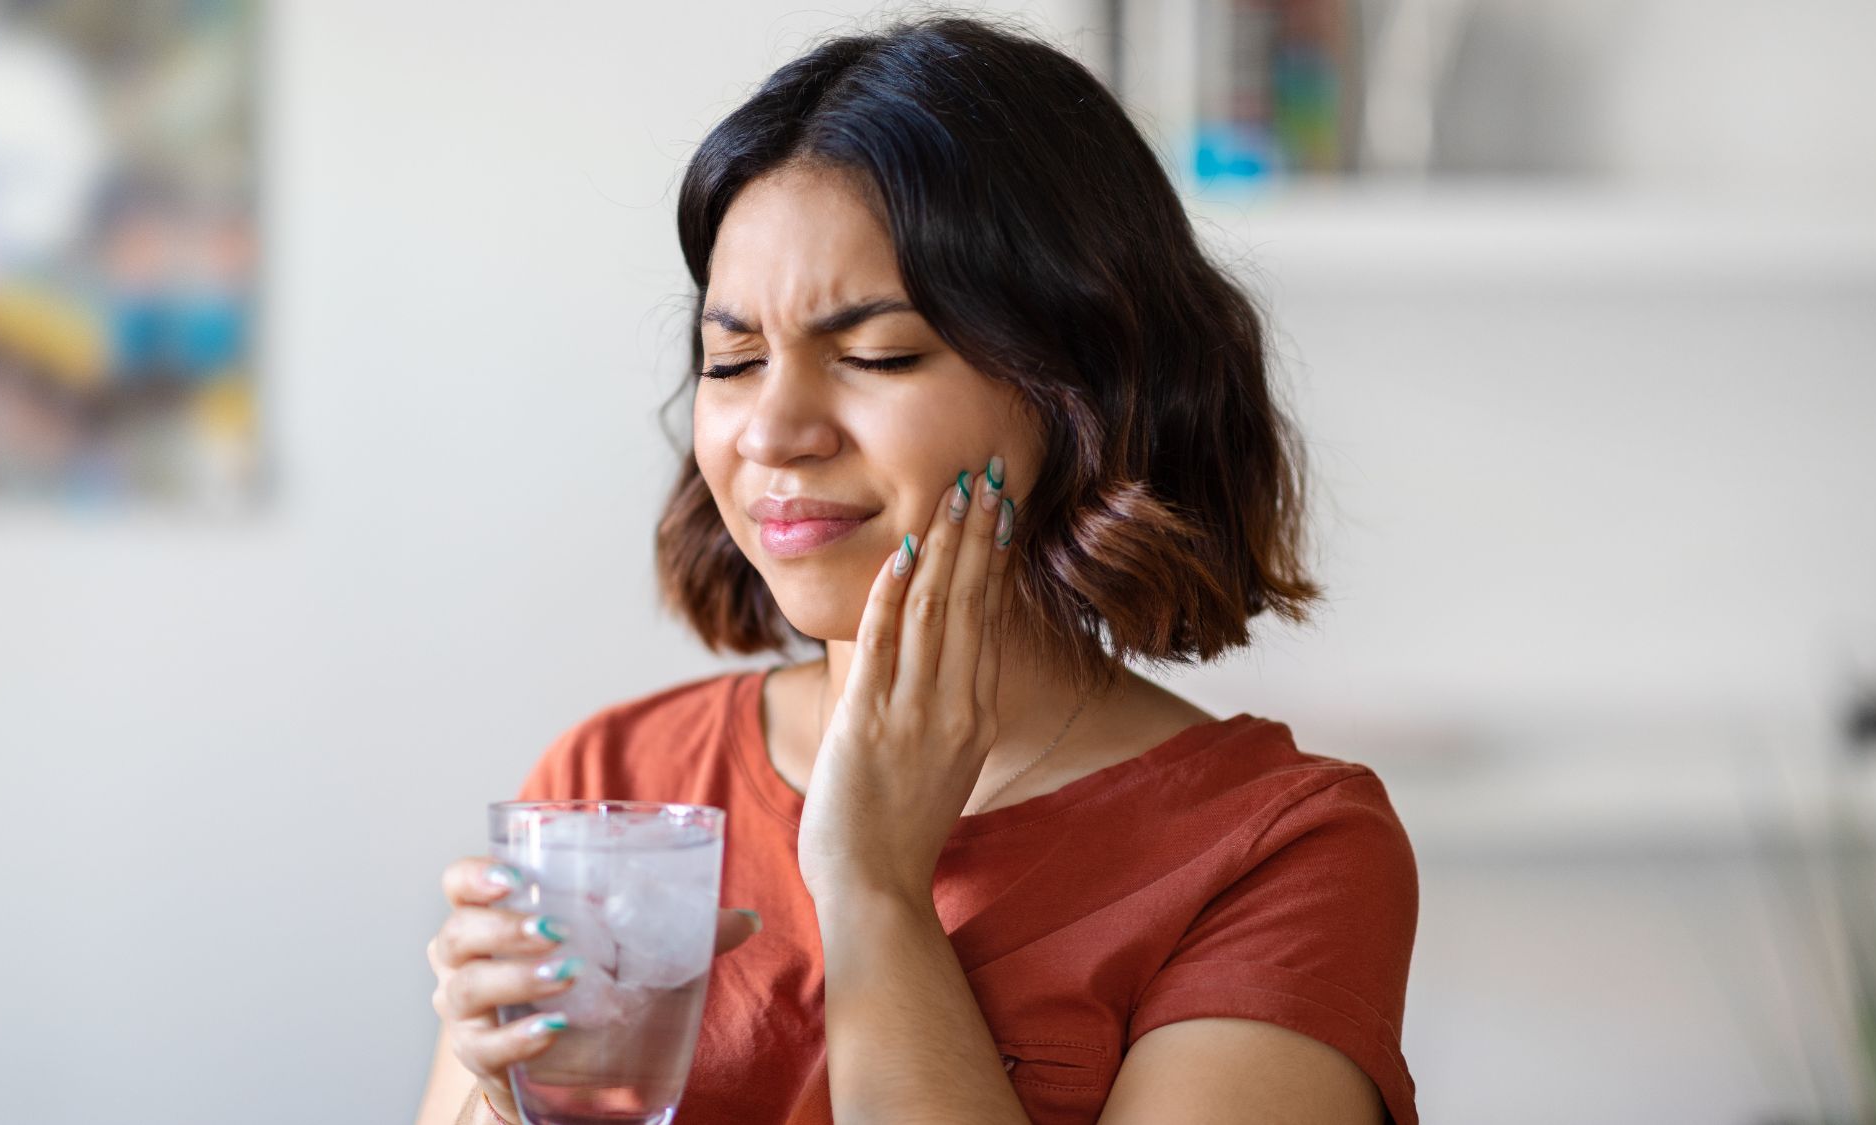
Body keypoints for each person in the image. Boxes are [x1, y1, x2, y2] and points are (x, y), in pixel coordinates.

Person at [416, 13, 1419, 1125]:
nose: (771, 432)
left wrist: (873, 888)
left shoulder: (1280, 849)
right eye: (733, 361)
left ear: (1083, 389)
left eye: (876, 355)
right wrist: (501, 1094)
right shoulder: (611, 781)